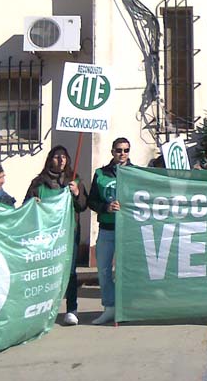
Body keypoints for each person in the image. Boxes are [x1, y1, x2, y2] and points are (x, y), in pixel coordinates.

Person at [24, 145, 88, 325]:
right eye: (56, 157)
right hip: (47, 235)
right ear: (50, 159)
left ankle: (71, 309)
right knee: (47, 271)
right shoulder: (38, 183)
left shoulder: (74, 180)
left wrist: (76, 194)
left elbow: (83, 205)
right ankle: (44, 309)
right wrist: (33, 203)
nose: (61, 160)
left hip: (69, 232)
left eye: (64, 157)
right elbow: (26, 206)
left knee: (70, 272)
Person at [88, 137, 133, 325]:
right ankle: (110, 307)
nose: (122, 154)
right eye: (118, 150)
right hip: (107, 229)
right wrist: (105, 207)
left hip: (128, 230)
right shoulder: (100, 174)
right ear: (112, 151)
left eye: (125, 150)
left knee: (125, 271)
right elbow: (91, 201)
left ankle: (126, 309)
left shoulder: (136, 173)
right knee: (104, 270)